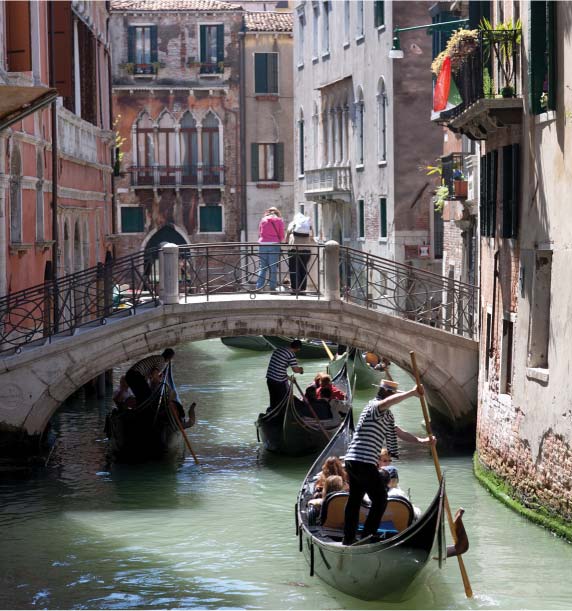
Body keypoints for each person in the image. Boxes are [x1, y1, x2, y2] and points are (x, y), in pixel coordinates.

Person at [342, 379, 434, 546]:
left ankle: (349, 539)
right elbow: (386, 402)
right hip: (362, 461)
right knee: (380, 499)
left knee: (355, 500)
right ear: (386, 393)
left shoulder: (386, 416)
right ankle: (366, 537)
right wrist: (411, 393)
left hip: (354, 461)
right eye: (392, 394)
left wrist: (422, 441)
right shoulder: (374, 407)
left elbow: (399, 432)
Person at [265, 339, 304, 408]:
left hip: (270, 378)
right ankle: (282, 414)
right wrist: (301, 370)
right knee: (283, 401)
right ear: (298, 349)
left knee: (273, 400)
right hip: (279, 382)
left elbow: (278, 369)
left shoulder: (280, 349)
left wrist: (290, 378)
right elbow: (295, 370)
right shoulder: (291, 355)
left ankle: (273, 410)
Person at [286, 211, 315, 293]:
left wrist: (286, 243)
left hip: (294, 249)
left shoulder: (292, 223)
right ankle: (302, 288)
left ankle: (295, 288)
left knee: (294, 268)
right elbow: (312, 235)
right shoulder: (307, 224)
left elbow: (287, 236)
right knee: (303, 268)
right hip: (306, 250)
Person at [256, 207, 285, 291]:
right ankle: (272, 287)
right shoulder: (279, 220)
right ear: (277, 213)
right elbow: (281, 234)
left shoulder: (263, 220)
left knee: (262, 267)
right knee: (273, 267)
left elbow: (260, 232)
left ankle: (259, 287)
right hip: (274, 244)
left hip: (263, 244)